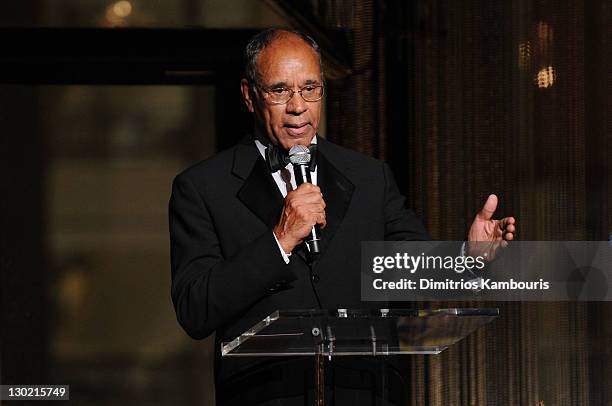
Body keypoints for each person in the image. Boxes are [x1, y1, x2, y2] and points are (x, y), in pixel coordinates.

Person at [169, 28, 516, 406]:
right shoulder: (203, 187)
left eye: (310, 88)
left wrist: (466, 257)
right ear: (249, 95)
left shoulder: (368, 176)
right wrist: (280, 240)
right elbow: (195, 309)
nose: (298, 106)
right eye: (280, 90)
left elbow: (410, 269)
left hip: (366, 391)